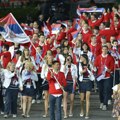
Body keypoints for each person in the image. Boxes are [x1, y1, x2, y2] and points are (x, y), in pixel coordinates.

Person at [94, 45, 114, 110]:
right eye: (103, 49)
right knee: (100, 90)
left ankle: (105, 104)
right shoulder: (98, 57)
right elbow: (95, 66)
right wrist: (95, 68)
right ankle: (102, 102)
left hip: (107, 77)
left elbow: (112, 67)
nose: (104, 50)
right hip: (100, 77)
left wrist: (108, 69)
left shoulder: (110, 58)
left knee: (106, 90)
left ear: (107, 50)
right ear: (101, 50)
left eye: (106, 49)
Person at [78, 54, 95, 119]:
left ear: (85, 58)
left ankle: (87, 113)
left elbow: (95, 70)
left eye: (82, 57)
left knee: (87, 98)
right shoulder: (80, 64)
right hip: (82, 82)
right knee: (82, 99)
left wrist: (92, 65)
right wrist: (83, 71)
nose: (81, 58)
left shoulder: (89, 63)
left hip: (89, 82)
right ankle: (82, 109)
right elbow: (79, 73)